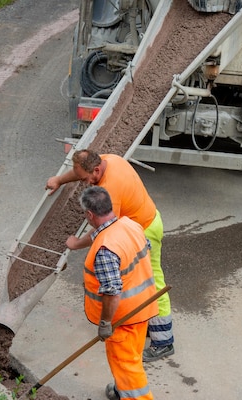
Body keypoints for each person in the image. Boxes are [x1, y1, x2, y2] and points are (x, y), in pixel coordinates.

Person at [46, 149, 175, 362]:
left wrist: (76, 243)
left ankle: (163, 340)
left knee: (152, 284)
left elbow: (104, 227)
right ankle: (145, 320)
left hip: (144, 229)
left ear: (96, 170)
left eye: (88, 179)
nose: (86, 183)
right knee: (137, 281)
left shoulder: (109, 188)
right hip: (141, 221)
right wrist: (59, 180)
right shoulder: (108, 160)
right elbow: (79, 173)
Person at [78, 186, 158, 400]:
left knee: (127, 365)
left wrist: (105, 323)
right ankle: (123, 392)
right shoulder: (131, 225)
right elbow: (145, 251)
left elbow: (112, 292)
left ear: (90, 215)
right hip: (142, 308)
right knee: (132, 358)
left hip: (122, 320)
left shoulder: (105, 249)